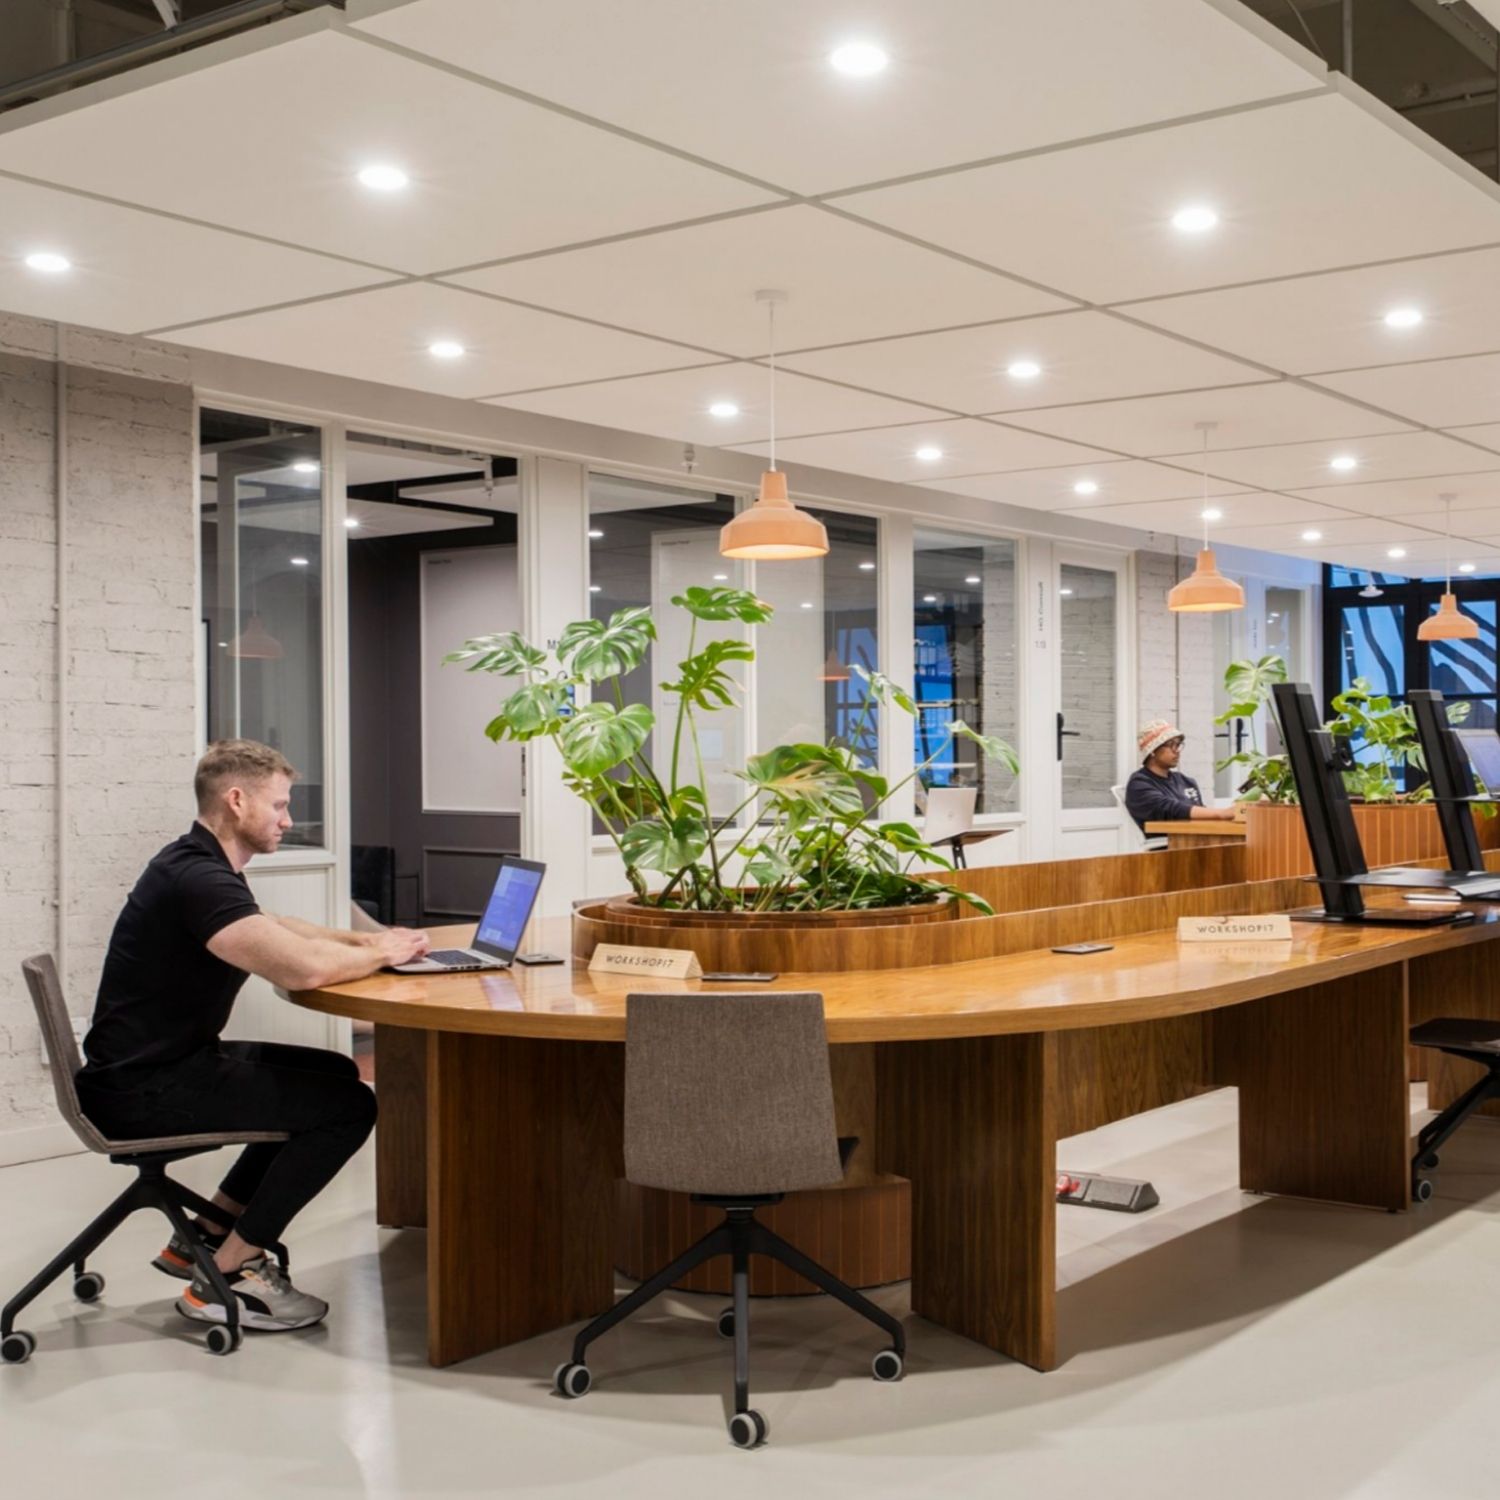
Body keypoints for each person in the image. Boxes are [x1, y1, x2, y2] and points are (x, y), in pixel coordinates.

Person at [75, 740, 431, 1333]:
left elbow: (279, 930)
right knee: (348, 1107)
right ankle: (231, 1275)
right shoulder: (198, 878)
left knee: (333, 1074)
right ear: (236, 801)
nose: (289, 821)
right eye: (280, 806)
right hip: (145, 1089)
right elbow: (302, 969)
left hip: (150, 1068)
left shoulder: (196, 863)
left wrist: (372, 944)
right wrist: (381, 954)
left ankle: (207, 1234)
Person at [1124, 719, 1239, 832]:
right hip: (1170, 844)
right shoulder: (1139, 784)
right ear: (1153, 750)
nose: (1177, 750)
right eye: (1171, 745)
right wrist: (1221, 813)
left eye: (1178, 745)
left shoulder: (1185, 781)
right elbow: (1171, 809)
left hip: (1199, 838)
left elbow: (1201, 814)